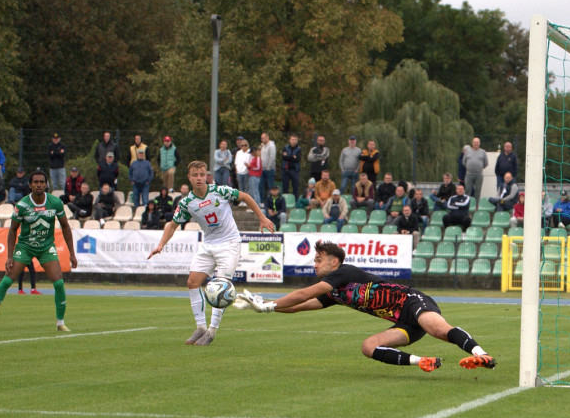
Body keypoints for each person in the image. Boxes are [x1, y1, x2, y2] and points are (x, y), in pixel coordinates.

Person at [233, 240, 496, 373]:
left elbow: (305, 292)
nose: (314, 265)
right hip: (404, 323)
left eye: (318, 260)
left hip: (412, 301)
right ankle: (422, 362)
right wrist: (262, 305)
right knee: (368, 347)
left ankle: (482, 355)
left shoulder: (342, 272)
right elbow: (299, 305)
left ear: (334, 262)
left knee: (438, 329)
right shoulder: (334, 291)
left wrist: (267, 307)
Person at [148, 160, 274, 346]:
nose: (199, 178)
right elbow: (173, 224)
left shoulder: (219, 191)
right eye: (195, 175)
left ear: (206, 175)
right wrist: (161, 245)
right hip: (208, 244)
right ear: (189, 178)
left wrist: (262, 217)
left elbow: (245, 196)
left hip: (229, 243)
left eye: (202, 175)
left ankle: (212, 331)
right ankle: (200, 327)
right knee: (192, 282)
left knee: (221, 287)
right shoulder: (187, 203)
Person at [0, 170, 77, 334]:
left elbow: (65, 226)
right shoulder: (22, 205)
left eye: (42, 182)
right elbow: (13, 230)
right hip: (25, 247)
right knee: (7, 281)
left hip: (46, 247)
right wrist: (9, 256)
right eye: (36, 182)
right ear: (30, 185)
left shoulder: (55, 202)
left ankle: (60, 323)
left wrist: (71, 253)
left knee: (59, 283)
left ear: (46, 184)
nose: (39, 185)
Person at [258, 132, 276, 201]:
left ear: (267, 138)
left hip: (270, 169)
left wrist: (268, 167)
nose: (262, 139)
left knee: (270, 186)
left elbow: (272, 157)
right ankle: (262, 200)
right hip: (262, 169)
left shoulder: (271, 146)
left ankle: (270, 200)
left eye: (263, 138)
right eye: (261, 138)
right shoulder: (263, 146)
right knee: (261, 185)